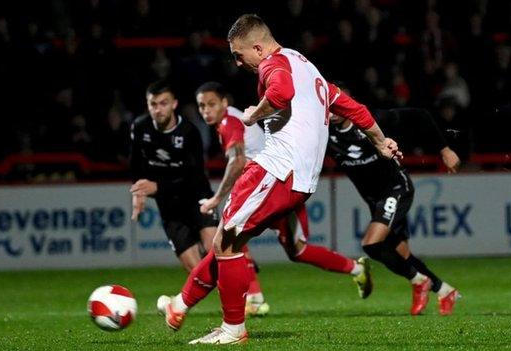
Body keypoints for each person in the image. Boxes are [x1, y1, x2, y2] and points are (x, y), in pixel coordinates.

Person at [159, 15, 402, 345]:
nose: (237, 61)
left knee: (225, 242)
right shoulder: (308, 68)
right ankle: (180, 306)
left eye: (238, 54)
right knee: (230, 242)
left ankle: (232, 329)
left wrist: (253, 115)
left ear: (257, 48)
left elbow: (281, 92)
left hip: (276, 170)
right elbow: (354, 108)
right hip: (297, 179)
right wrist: (380, 141)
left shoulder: (272, 65)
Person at [158, 81, 373, 316]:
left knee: (233, 234)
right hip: (273, 187)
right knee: (289, 249)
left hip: (275, 187)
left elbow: (238, 160)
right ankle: (354, 269)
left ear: (224, 103)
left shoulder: (231, 121)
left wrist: (216, 198)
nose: (206, 110)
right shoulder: (227, 121)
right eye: (201, 106)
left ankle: (249, 301)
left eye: (211, 104)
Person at [328, 106, 461, 316]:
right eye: (327, 107)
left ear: (347, 104)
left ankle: (419, 281)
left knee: (371, 245)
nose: (330, 111)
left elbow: (421, 114)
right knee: (402, 255)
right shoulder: (326, 135)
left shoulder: (373, 120)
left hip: (397, 188)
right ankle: (445, 291)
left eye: (335, 105)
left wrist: (445, 149)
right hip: (376, 200)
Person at [129, 80, 218, 271]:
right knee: (197, 272)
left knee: (214, 251)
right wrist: (138, 191)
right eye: (153, 104)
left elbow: (194, 177)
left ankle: (247, 294)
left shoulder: (189, 132)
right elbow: (136, 165)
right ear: (148, 105)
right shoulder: (140, 127)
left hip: (198, 198)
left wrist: (158, 187)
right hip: (169, 207)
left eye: (163, 103)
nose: (158, 109)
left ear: (174, 104)